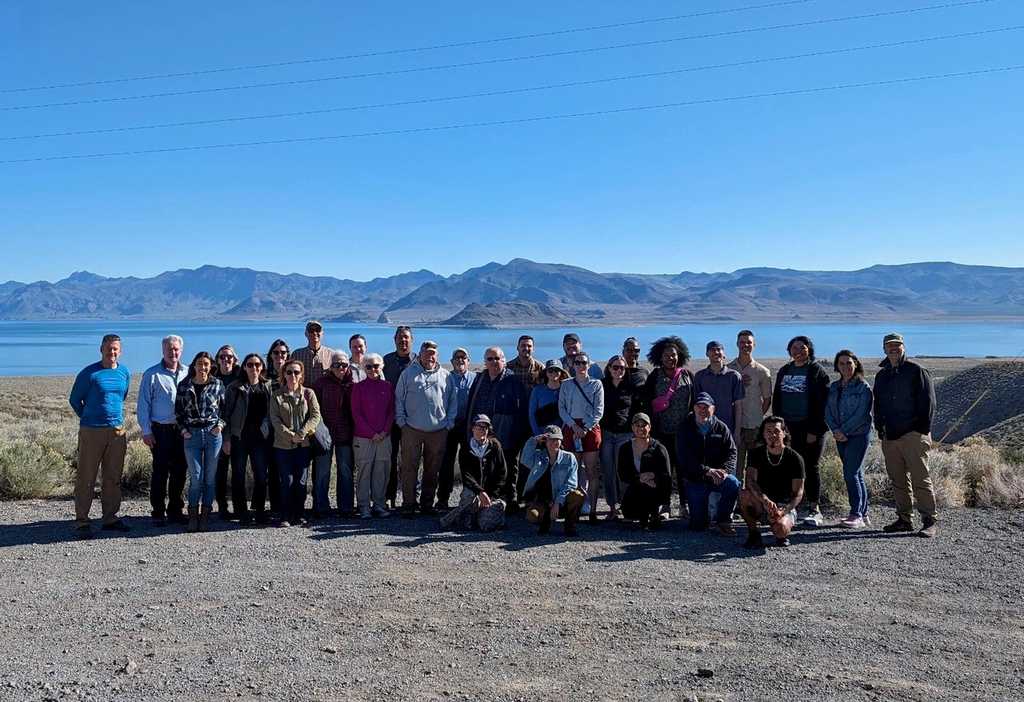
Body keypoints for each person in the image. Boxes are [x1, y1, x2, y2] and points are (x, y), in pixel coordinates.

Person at [873, 333, 937, 537]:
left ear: (903, 347)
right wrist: (879, 427)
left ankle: (929, 521)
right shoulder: (882, 375)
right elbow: (878, 404)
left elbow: (929, 402)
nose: (893, 349)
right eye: (889, 346)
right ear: (884, 349)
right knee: (897, 480)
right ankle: (904, 519)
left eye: (897, 345)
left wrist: (921, 430)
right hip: (889, 435)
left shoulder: (916, 370)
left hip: (913, 434)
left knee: (921, 479)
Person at [68, 334, 131, 539]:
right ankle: (82, 521)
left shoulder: (124, 372)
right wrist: (89, 417)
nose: (111, 352)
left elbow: (122, 396)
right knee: (86, 477)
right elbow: (75, 400)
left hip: (117, 430)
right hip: (92, 431)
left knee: (112, 477)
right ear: (101, 349)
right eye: (108, 349)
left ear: (120, 351)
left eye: (115, 349)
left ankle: (110, 518)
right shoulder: (90, 374)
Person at [771, 335, 830, 528]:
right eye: (794, 348)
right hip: (788, 427)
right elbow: (777, 399)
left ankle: (814, 508)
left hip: (810, 427)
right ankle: (792, 506)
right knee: (789, 466)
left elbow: (823, 403)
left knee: (810, 467)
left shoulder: (816, 371)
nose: (798, 351)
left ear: (809, 350)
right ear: (789, 351)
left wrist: (816, 429)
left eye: (802, 347)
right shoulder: (784, 370)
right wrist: (778, 426)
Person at [395, 340, 458, 517]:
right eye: (427, 352)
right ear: (420, 354)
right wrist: (401, 422)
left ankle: (427, 504)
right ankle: (408, 504)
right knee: (409, 468)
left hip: (438, 431)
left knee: (432, 469)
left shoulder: (446, 376)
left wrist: (449, 423)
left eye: (433, 353)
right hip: (411, 429)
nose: (430, 356)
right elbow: (398, 399)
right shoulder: (408, 374)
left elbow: (453, 400)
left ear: (437, 356)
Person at [137, 334, 189, 526]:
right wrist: (146, 430)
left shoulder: (188, 372)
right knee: (160, 471)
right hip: (160, 430)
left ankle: (175, 510)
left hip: (182, 431)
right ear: (163, 351)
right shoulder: (152, 374)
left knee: (180, 471)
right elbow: (144, 404)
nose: (172, 352)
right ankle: (158, 511)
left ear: (181, 350)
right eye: (169, 349)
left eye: (176, 349)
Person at [174, 351, 227, 533]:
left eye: (206, 364)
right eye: (199, 363)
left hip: (213, 434)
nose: (203, 367)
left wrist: (219, 426)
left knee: (210, 478)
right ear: (194, 365)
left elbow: (225, 410)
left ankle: (205, 516)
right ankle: (193, 516)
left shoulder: (217, 384)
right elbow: (178, 412)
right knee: (196, 478)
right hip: (192, 435)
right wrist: (183, 430)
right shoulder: (184, 385)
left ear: (210, 365)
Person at [466, 347, 525, 509]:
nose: (494, 362)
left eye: (497, 358)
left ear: (504, 361)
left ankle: (510, 500)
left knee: (508, 465)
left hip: (506, 431)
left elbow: (521, 410)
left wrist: (517, 434)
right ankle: (489, 499)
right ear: (485, 362)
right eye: (490, 359)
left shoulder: (512, 380)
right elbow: (471, 405)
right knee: (486, 466)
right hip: (482, 431)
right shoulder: (479, 380)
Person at [676, 393, 740, 534]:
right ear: (694, 408)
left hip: (718, 476)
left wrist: (724, 471)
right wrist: (707, 470)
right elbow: (685, 458)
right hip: (696, 478)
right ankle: (701, 518)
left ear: (713, 409)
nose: (702, 409)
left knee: (733, 483)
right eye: (699, 406)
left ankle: (723, 520)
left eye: (706, 406)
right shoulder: (684, 428)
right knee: (698, 526)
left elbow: (732, 452)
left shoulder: (721, 428)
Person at [268, 359, 321, 528]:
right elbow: (275, 420)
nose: (293, 375)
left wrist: (302, 433)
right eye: (289, 372)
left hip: (304, 445)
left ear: (301, 375)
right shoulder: (277, 395)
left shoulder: (308, 394)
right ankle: (285, 515)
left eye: (296, 372)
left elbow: (315, 416)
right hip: (283, 446)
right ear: (284, 374)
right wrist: (291, 435)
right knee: (287, 481)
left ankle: (299, 514)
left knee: (301, 481)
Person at [739, 416, 805, 548]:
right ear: (763, 434)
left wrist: (784, 510)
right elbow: (750, 481)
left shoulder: (795, 458)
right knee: (744, 495)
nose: (772, 435)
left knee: (781, 530)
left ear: (784, 433)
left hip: (783, 505)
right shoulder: (756, 454)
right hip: (762, 501)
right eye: (768, 431)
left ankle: (781, 533)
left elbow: (798, 493)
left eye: (776, 431)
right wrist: (764, 499)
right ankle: (754, 534)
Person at [223, 353, 273, 526]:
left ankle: (258, 510)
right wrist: (227, 438)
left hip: (261, 439)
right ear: (244, 367)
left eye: (257, 365)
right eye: (250, 365)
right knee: (238, 475)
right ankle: (241, 510)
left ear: (262, 367)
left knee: (261, 476)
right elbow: (226, 415)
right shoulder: (234, 387)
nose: (254, 368)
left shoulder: (268, 387)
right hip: (240, 438)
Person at [826, 350, 873, 529]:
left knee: (850, 473)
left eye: (849, 363)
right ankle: (864, 512)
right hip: (840, 435)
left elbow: (862, 414)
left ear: (856, 364)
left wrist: (843, 430)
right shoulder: (834, 386)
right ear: (837, 366)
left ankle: (856, 514)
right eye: (842, 363)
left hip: (858, 435)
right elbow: (828, 411)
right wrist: (835, 430)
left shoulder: (863, 387)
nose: (845, 366)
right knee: (857, 473)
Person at [439, 414, 507, 532]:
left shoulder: (495, 446)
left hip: (492, 495)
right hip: (473, 492)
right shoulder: (466, 448)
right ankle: (461, 517)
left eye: (485, 427)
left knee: (485, 525)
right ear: (473, 428)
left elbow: (502, 472)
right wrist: (480, 492)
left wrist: (491, 495)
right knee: (469, 500)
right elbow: (466, 475)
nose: (482, 430)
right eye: (479, 426)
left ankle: (471, 516)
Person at [558, 351, 604, 521]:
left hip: (590, 429)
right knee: (573, 471)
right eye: (577, 363)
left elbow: (599, 410)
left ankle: (592, 510)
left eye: (584, 362)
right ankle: (574, 509)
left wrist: (585, 428)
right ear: (573, 365)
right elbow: (562, 408)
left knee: (591, 471)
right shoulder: (566, 384)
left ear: (589, 365)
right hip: (571, 428)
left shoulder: (596, 384)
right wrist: (573, 425)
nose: (581, 366)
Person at [312, 350, 356, 519]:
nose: (341, 368)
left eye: (344, 364)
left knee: (345, 470)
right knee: (323, 471)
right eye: (337, 364)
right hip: (325, 435)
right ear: (331, 366)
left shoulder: (352, 384)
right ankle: (321, 506)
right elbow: (314, 409)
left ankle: (346, 507)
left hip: (346, 434)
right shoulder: (321, 383)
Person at [351, 353, 395, 518]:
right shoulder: (358, 387)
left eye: (376, 366)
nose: (372, 369)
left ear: (381, 367)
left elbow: (391, 411)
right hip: (364, 437)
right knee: (364, 472)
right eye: (368, 366)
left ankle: (379, 504)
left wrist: (384, 431)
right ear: (364, 368)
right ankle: (363, 507)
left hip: (384, 436)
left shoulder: (387, 386)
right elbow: (356, 414)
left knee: (381, 472)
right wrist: (371, 433)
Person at [521, 426, 586, 536]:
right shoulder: (538, 456)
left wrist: (558, 501)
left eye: (557, 439)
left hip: (562, 500)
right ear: (545, 441)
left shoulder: (569, 458)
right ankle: (546, 520)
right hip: (543, 500)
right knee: (532, 516)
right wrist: (534, 441)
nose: (554, 442)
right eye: (551, 439)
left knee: (577, 495)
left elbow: (572, 483)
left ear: (561, 441)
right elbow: (524, 460)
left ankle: (570, 525)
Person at [600, 354, 641, 521]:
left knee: (623, 472)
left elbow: (637, 410)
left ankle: (627, 505)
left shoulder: (631, 388)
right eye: (615, 367)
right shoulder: (601, 386)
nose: (618, 370)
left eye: (622, 368)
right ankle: (612, 507)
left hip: (625, 434)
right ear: (609, 368)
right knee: (608, 471)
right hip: (607, 434)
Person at [727, 330, 773, 482]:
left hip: (755, 427)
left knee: (755, 468)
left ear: (754, 345)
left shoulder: (762, 372)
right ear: (737, 344)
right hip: (734, 427)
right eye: (742, 342)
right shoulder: (728, 369)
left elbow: (767, 400)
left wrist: (757, 414)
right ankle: (737, 501)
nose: (745, 345)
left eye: (749, 342)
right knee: (735, 467)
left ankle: (754, 501)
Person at [617, 413, 672, 530]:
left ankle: (653, 514)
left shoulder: (659, 448)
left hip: (655, 490)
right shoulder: (625, 448)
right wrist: (640, 478)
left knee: (649, 487)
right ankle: (643, 515)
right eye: (637, 425)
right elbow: (622, 474)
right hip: (635, 488)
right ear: (632, 427)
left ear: (650, 427)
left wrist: (653, 475)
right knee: (629, 513)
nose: (641, 429)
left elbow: (667, 476)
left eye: (644, 425)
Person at [437, 347, 476, 510]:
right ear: (452, 362)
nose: (460, 360)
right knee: (446, 463)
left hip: (468, 428)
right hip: (450, 426)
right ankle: (443, 499)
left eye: (464, 357)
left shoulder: (476, 378)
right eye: (457, 358)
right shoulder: (446, 378)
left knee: (468, 462)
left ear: (468, 361)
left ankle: (467, 498)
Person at [384, 325, 415, 509]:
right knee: (391, 458)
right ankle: (389, 497)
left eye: (406, 338)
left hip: (413, 421)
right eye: (400, 338)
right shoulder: (386, 361)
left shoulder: (418, 362)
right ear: (394, 340)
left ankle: (411, 497)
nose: (403, 341)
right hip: (391, 419)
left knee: (411, 460)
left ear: (412, 340)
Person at [212, 344, 243, 520]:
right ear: (217, 359)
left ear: (235, 359)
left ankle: (239, 507)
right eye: (222, 357)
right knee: (220, 472)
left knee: (238, 470)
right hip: (217, 432)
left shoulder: (241, 377)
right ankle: (222, 506)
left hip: (238, 432)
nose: (226, 360)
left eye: (229, 357)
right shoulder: (212, 378)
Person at [693, 341, 744, 435]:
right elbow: (696, 405)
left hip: (728, 427)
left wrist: (737, 431)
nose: (716, 352)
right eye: (712, 350)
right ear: (707, 354)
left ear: (723, 354)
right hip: (705, 428)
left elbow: (738, 406)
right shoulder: (700, 376)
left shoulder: (734, 376)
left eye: (718, 349)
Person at [263, 338, 290, 516]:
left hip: (290, 432)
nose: (279, 356)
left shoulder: (293, 376)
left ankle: (291, 507)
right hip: (270, 432)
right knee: (273, 470)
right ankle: (275, 508)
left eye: (283, 353)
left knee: (289, 471)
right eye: (276, 353)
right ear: (271, 355)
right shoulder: (264, 378)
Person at [290, 320, 333, 384]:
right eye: (311, 330)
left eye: (318, 330)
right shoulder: (297, 354)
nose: (314, 333)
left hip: (324, 393)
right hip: (303, 393)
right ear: (306, 334)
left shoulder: (331, 354)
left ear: (322, 333)